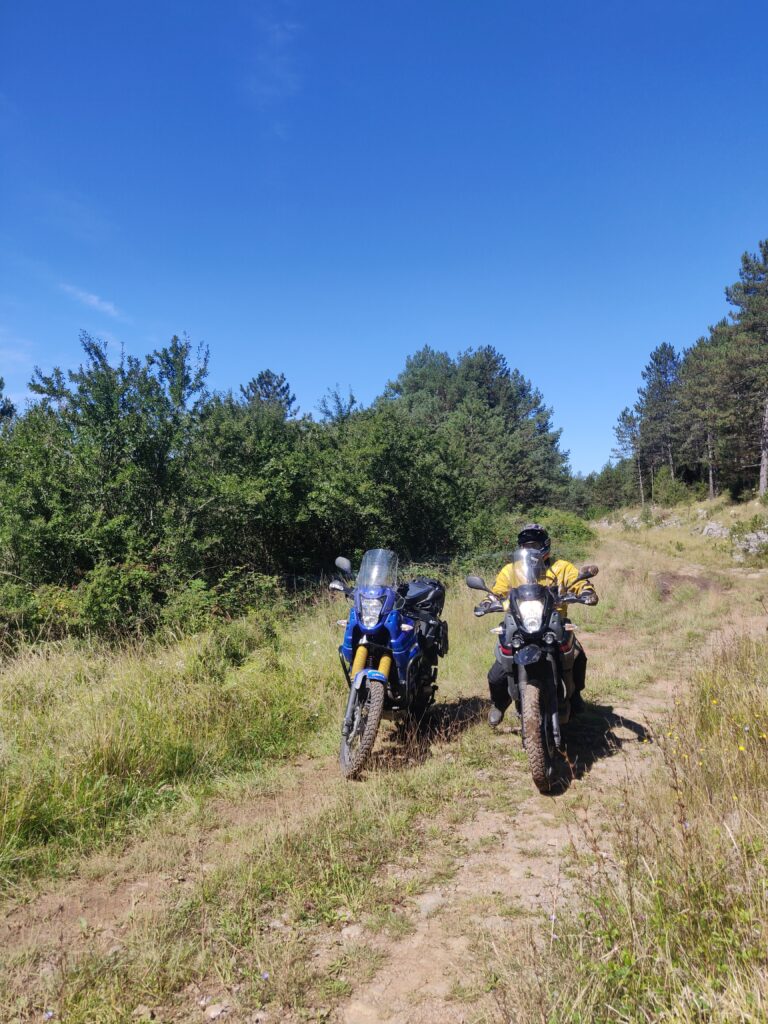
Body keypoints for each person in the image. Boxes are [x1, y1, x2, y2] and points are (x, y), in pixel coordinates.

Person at [483, 523, 598, 727]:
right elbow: (497, 590)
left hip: (555, 622)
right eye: (526, 546)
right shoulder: (511, 570)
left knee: (578, 655)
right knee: (497, 671)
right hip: (519, 624)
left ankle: (574, 695)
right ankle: (499, 704)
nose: (531, 550)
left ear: (545, 545)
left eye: (535, 545)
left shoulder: (561, 567)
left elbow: (578, 582)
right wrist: (488, 600)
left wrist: (586, 591)